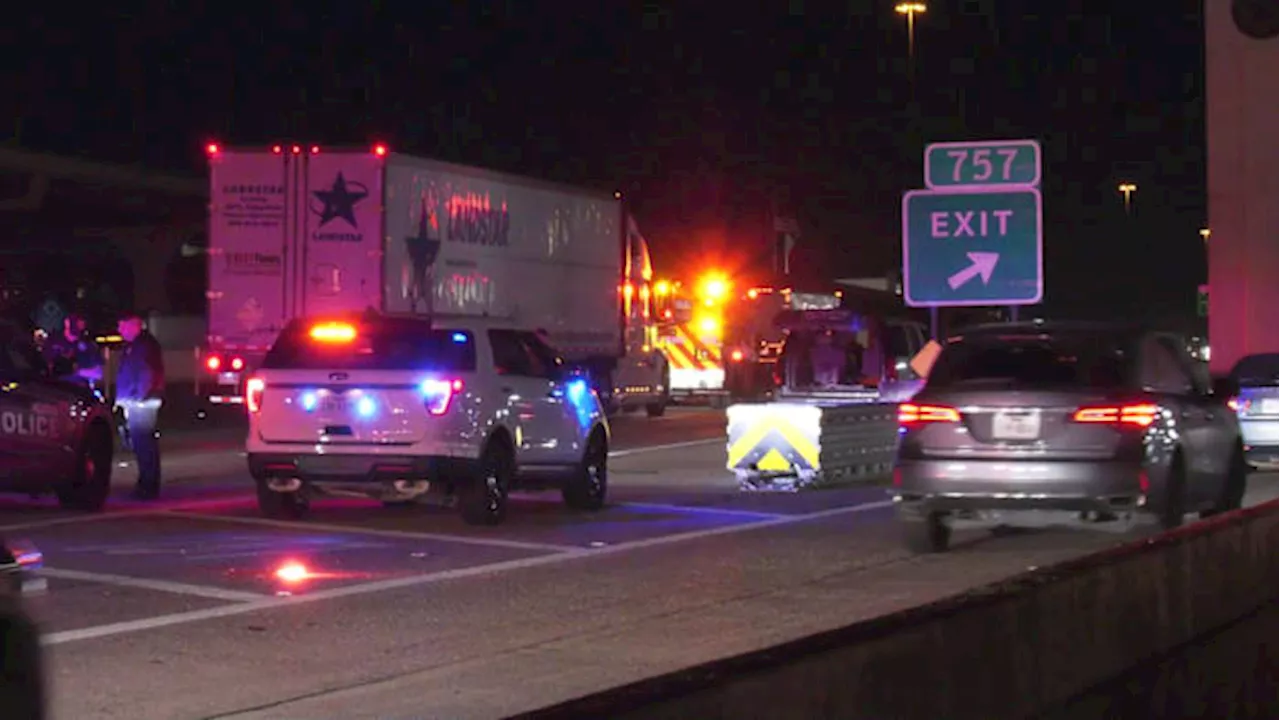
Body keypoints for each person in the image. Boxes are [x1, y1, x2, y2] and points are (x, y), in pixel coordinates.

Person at [114, 311, 165, 500]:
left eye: (122, 326)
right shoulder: (136, 345)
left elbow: (146, 373)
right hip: (138, 401)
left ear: (133, 325)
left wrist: (137, 397)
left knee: (144, 444)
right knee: (141, 444)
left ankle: (148, 486)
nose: (119, 330)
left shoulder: (143, 345)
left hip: (142, 403)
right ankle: (146, 483)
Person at [42, 314, 103, 388]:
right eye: (76, 324)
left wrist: (79, 371)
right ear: (67, 323)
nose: (79, 326)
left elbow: (98, 372)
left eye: (81, 324)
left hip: (77, 387)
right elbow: (45, 363)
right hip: (54, 386)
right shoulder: (53, 340)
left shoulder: (87, 345)